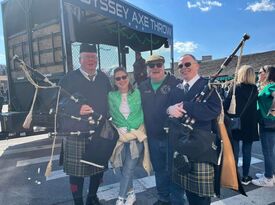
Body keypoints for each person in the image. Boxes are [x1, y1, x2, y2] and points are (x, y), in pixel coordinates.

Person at [59, 43, 112, 205]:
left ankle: (92, 197)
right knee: (76, 173)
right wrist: (76, 108)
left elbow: (110, 100)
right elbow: (57, 102)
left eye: (94, 57)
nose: (91, 60)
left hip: (99, 131)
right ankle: (78, 202)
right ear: (80, 59)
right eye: (87, 57)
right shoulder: (68, 78)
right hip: (76, 132)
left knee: (98, 169)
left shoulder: (103, 78)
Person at [167, 54, 221, 205]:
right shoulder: (177, 89)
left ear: (197, 65)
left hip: (201, 146)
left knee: (200, 198)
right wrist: (169, 109)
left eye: (187, 64)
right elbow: (168, 111)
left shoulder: (207, 85)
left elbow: (214, 110)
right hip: (180, 144)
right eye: (180, 66)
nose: (184, 68)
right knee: (185, 190)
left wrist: (187, 105)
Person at [139, 54, 184, 205]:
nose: (156, 68)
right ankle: (163, 199)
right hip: (153, 137)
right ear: (147, 68)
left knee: (174, 170)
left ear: (164, 66)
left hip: (172, 137)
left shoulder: (177, 84)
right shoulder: (142, 86)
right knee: (159, 170)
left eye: (159, 65)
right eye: (152, 66)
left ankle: (177, 201)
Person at [108, 67, 152, 205]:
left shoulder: (138, 93)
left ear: (129, 78)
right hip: (120, 138)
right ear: (114, 81)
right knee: (122, 167)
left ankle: (120, 199)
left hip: (136, 135)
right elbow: (109, 113)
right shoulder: (111, 96)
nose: (122, 80)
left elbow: (147, 109)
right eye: (118, 78)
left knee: (128, 168)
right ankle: (131, 194)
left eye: (124, 77)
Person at [224, 65, 259, 185]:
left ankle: (234, 176)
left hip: (236, 122)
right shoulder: (255, 89)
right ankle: (245, 176)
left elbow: (225, 105)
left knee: (234, 150)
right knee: (247, 151)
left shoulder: (235, 87)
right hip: (250, 123)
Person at [252, 65, 275, 187]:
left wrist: (273, 110)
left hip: (268, 123)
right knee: (270, 151)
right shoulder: (268, 86)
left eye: (260, 72)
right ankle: (270, 173)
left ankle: (268, 178)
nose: (258, 74)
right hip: (268, 122)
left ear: (267, 74)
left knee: (268, 152)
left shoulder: (271, 86)